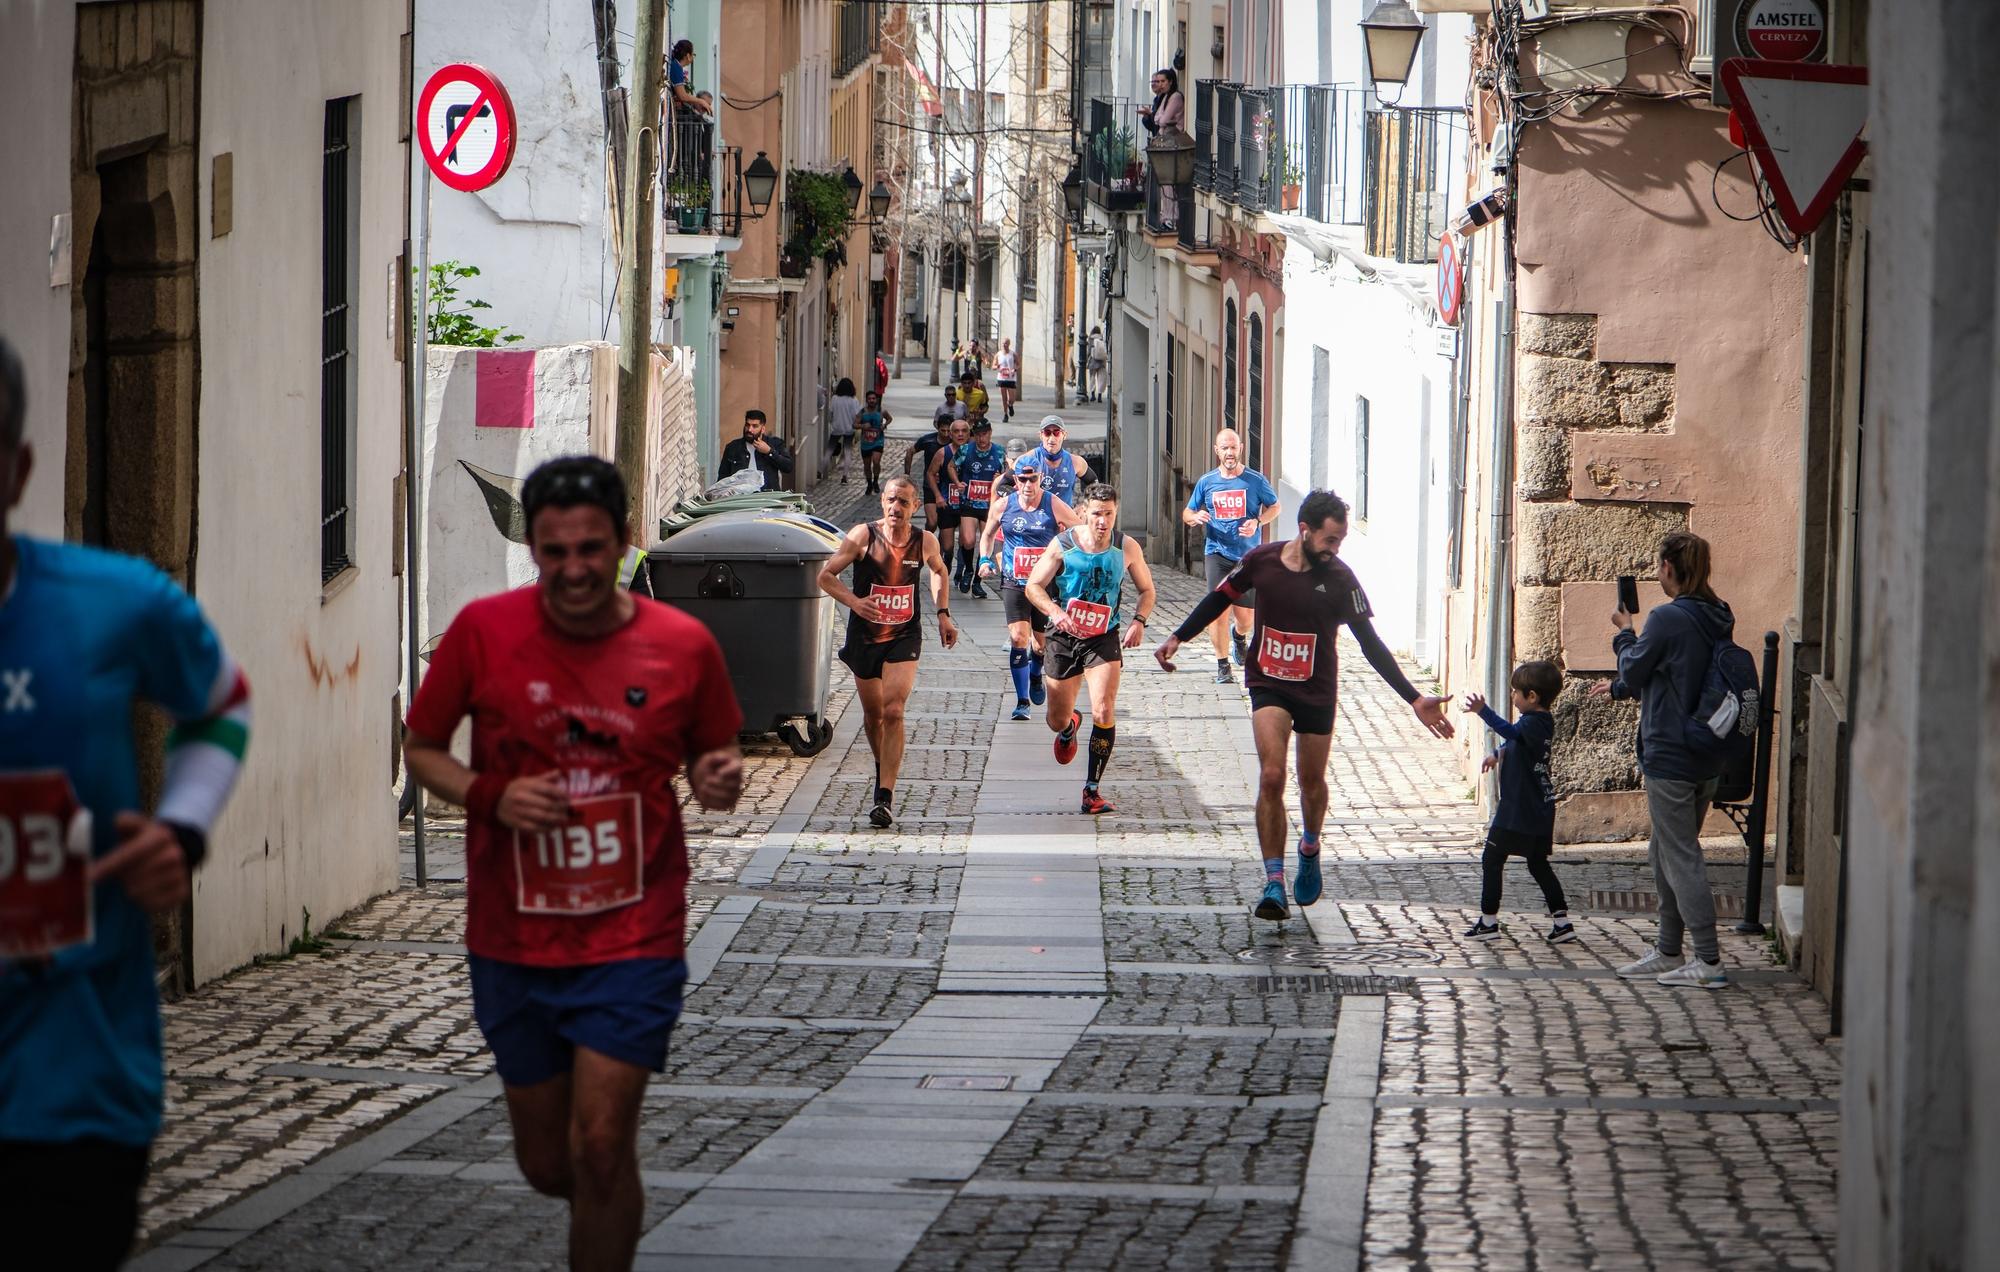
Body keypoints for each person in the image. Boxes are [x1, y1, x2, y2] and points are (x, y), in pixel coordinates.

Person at [405, 456, 745, 1272]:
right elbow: (420, 749)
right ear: (533, 548)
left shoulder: (681, 645)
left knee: (598, 1145)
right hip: (513, 941)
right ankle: (606, 1203)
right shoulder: (484, 633)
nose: (574, 570)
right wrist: (488, 794)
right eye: (554, 553)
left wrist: (716, 778)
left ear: (624, 540)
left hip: (634, 936)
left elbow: (716, 765)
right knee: (548, 1164)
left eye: (591, 549)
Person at [0, 336, 253, 1269]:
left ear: (19, 465)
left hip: (74, 1087)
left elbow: (219, 703)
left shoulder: (115, 605)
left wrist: (182, 828)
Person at [1155, 491, 1454, 921]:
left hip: (1316, 689)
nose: (1336, 549)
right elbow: (1220, 597)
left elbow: (1370, 644)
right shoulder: (1262, 560)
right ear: (1305, 530)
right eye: (1331, 540)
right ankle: (1274, 881)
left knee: (1312, 783)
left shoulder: (1341, 579)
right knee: (1272, 774)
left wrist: (1414, 698)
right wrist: (1177, 637)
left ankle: (1310, 844)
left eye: (1341, 541)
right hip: (1268, 683)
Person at [1592, 531, 1736, 989]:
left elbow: (1635, 669)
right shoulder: (1718, 613)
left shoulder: (1666, 618)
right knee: (1664, 851)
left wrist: (1623, 633)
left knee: (1681, 854)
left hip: (1670, 751)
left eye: (1659, 566)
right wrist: (1619, 686)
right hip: (1707, 749)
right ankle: (1669, 949)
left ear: (1669, 568)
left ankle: (1708, 960)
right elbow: (1678, 672)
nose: (1657, 573)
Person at [817, 477, 960, 828]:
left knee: (893, 710)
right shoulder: (862, 536)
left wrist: (943, 614)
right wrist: (855, 602)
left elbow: (940, 571)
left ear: (914, 508)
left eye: (905, 503)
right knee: (873, 716)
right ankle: (885, 765)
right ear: (883, 502)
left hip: (903, 635)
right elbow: (826, 576)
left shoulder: (923, 540)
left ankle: (884, 796)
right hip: (865, 637)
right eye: (892, 500)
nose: (897, 508)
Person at [1024, 484, 1157, 814]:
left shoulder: (1126, 547)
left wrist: (1139, 621)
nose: (1103, 521)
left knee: (1104, 710)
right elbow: (1033, 586)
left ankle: (1091, 790)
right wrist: (1054, 612)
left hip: (1103, 635)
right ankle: (1069, 726)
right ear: (1083, 513)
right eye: (1097, 514)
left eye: (1109, 514)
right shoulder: (1063, 544)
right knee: (1055, 719)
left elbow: (1147, 590)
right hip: (1064, 635)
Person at [1461, 662, 1574, 944]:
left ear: (1532, 696)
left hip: (1518, 810)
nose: (1513, 697)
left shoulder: (1532, 723)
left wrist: (1483, 712)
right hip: (1538, 807)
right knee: (1537, 864)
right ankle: (1562, 922)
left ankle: (1488, 921)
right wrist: (1497, 755)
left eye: (1516, 692)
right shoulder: (1540, 724)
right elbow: (1519, 745)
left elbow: (1512, 733)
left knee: (1492, 858)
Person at [979, 456, 1079, 720]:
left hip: (1045, 586)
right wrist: (985, 559)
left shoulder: (1053, 504)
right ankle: (1022, 701)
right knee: (1018, 638)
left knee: (1040, 645)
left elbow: (1080, 530)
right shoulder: (1003, 506)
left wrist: (1067, 551)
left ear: (1040, 479)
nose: (1027, 484)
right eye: (1021, 479)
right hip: (1014, 581)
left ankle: (1036, 674)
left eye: (1032, 479)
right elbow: (988, 534)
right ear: (1015, 481)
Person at [1185, 429, 1281, 685]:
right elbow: (1188, 511)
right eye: (1224, 448)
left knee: (1245, 618)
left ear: (1240, 448)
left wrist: (1257, 522)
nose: (1229, 453)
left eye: (1233, 448)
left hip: (1247, 558)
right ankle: (1222, 664)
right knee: (1217, 611)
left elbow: (1275, 506)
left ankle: (1239, 637)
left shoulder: (1255, 480)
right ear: (1216, 450)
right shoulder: (1207, 482)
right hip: (1216, 552)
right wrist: (1194, 518)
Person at [943, 417, 1006, 598]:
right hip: (969, 502)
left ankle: (978, 582)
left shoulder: (999, 452)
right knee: (968, 540)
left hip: (989, 505)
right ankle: (969, 570)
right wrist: (957, 482)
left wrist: (1000, 477)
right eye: (977, 435)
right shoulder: (965, 450)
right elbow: (951, 466)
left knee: (986, 543)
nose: (981, 438)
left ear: (990, 433)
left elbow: (1008, 474)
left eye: (984, 434)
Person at [1137, 68, 1187, 229]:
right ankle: (1166, 215)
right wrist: (1155, 117)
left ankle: (1171, 216)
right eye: (1158, 81)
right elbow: (1157, 118)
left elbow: (1163, 119)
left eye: (1163, 81)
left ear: (1170, 81)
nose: (1160, 84)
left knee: (1168, 181)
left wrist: (1156, 117)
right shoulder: (1164, 98)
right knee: (1164, 181)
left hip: (1172, 143)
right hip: (1164, 142)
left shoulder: (1176, 97)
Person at [925, 417, 972, 572]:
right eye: (956, 431)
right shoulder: (942, 453)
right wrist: (938, 495)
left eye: (964, 431)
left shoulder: (974, 451)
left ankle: (961, 572)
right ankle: (947, 562)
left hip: (967, 505)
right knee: (948, 546)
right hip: (947, 504)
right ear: (950, 434)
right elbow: (930, 474)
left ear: (968, 433)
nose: (960, 434)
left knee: (966, 542)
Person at [717, 409, 794, 491]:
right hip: (739, 498)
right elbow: (723, 478)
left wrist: (769, 452)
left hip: (767, 498)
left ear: (763, 429)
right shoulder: (733, 447)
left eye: (755, 426)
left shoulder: (775, 444)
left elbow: (788, 467)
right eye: (747, 425)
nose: (750, 430)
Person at [1030, 415, 1096, 507]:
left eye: (1056, 433)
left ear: (1064, 435)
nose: (1051, 438)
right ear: (1041, 435)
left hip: (1064, 519)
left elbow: (1093, 482)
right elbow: (1005, 484)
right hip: (1036, 518)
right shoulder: (1029, 458)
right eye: (1047, 432)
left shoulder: (1075, 462)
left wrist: (1083, 506)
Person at [908, 410, 957, 530]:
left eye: (948, 431)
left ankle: (939, 546)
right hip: (930, 485)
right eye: (942, 430)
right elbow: (910, 452)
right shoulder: (928, 440)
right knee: (932, 522)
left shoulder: (956, 443)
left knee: (947, 524)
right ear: (937, 428)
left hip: (949, 486)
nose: (945, 434)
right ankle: (926, 539)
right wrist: (907, 474)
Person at [827, 377, 861, 485]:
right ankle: (845, 476)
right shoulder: (853, 400)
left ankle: (819, 470)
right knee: (847, 453)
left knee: (829, 450)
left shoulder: (835, 398)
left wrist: (832, 422)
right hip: (849, 429)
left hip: (836, 428)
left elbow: (830, 414)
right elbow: (857, 415)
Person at [857, 390, 890, 494]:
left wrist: (884, 425)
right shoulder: (862, 412)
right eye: (870, 399)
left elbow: (889, 418)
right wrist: (862, 426)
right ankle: (869, 484)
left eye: (873, 398)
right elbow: (854, 424)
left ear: (877, 400)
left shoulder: (881, 411)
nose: (872, 400)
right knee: (867, 465)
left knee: (876, 462)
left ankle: (875, 481)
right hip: (866, 442)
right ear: (866, 400)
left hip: (878, 441)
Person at [668, 39, 710, 119]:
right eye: (693, 54)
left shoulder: (675, 64)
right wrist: (701, 101)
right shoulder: (676, 67)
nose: (693, 58)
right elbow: (682, 96)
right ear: (688, 56)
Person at [995, 339, 1020, 421]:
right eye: (1003, 343)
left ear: (1009, 344)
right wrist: (997, 367)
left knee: (1012, 399)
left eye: (1006, 343)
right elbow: (993, 366)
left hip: (1011, 378)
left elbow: (1018, 364)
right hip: (1001, 378)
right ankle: (1005, 414)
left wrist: (1014, 370)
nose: (1004, 345)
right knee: (1004, 397)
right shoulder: (998, 354)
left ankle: (1010, 405)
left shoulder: (1013, 354)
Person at [1086, 326, 1107, 402]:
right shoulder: (1102, 338)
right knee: (1101, 379)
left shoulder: (1091, 338)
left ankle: (1092, 395)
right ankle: (1100, 396)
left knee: (1092, 378)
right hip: (1102, 361)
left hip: (1093, 361)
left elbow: (1088, 350)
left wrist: (1086, 358)